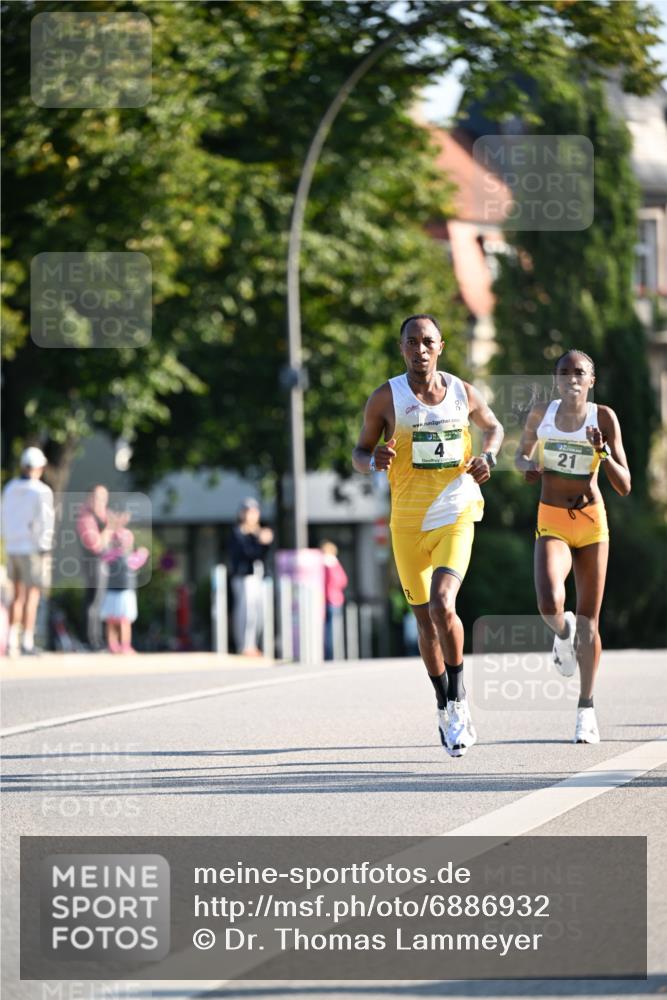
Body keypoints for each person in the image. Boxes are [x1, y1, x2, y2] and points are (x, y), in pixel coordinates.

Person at [352, 314, 504, 757]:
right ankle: (442, 703)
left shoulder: (462, 392)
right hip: (406, 523)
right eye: (411, 342)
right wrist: (373, 460)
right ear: (401, 348)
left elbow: (493, 427)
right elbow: (360, 452)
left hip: (455, 512)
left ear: (441, 346)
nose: (419, 349)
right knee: (424, 623)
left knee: (442, 604)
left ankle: (459, 697)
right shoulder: (386, 398)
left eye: (427, 341)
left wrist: (489, 457)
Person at [516, 349, 631, 744]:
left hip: (592, 523)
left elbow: (624, 484)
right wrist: (528, 467)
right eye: (564, 372)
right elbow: (520, 455)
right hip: (552, 519)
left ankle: (586, 709)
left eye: (579, 372)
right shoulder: (541, 414)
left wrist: (602, 452)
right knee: (549, 602)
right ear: (556, 379)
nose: (572, 378)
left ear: (591, 380)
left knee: (589, 623)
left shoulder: (604, 418)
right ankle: (561, 634)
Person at [1, 447, 55, 656]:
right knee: (32, 595)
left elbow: (3, 519)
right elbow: (45, 523)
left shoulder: (10, 488)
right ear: (39, 467)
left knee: (16, 596)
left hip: (12, 547)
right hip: (32, 548)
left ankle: (12, 640)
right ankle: (27, 641)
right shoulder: (41, 491)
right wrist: (45, 549)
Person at [99, 508, 149, 654]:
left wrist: (142, 553)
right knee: (112, 620)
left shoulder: (127, 556)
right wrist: (113, 525)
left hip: (125, 590)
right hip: (113, 590)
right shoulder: (112, 554)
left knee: (124, 620)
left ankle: (125, 645)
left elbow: (138, 558)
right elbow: (104, 546)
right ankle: (113, 644)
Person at [229, 498, 273, 656]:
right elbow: (248, 553)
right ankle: (245, 645)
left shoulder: (259, 532)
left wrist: (265, 542)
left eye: (254, 512)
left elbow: (262, 556)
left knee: (260, 613)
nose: (251, 515)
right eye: (248, 512)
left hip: (260, 577)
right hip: (244, 577)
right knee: (246, 612)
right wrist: (261, 542)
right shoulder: (238, 533)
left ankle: (254, 644)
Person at [76, 484, 111, 650]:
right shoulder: (86, 518)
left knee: (99, 602)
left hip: (103, 563)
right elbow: (95, 545)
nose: (102, 501)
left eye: (104, 498)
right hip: (94, 563)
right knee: (93, 602)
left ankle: (97, 638)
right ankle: (90, 640)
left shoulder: (101, 517)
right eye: (98, 497)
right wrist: (109, 528)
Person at [320, 540, 348, 660]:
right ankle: (331, 655)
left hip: (325, 601)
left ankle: (328, 654)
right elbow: (342, 581)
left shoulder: (322, 565)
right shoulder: (332, 564)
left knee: (326, 630)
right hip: (334, 601)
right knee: (332, 630)